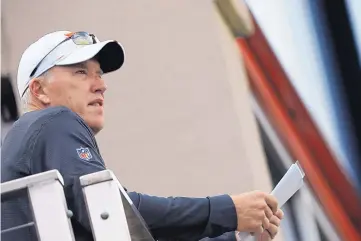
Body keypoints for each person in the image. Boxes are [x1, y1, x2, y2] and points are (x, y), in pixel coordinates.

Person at [1, 31, 284, 241]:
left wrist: (233, 236)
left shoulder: (38, 138)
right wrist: (227, 210)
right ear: (39, 91)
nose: (101, 85)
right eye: (80, 72)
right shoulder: (54, 120)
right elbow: (108, 208)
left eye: (99, 74)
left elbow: (124, 228)